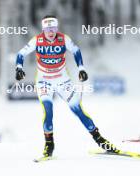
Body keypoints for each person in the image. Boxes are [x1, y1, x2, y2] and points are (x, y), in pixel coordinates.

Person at [15, 15, 119, 158]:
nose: (51, 32)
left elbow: (76, 51)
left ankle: (101, 141)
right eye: (47, 29)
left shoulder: (63, 39)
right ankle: (49, 145)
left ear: (57, 28)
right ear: (43, 29)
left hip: (63, 81)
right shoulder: (37, 41)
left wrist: (81, 68)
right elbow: (21, 53)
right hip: (44, 81)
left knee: (78, 111)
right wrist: (18, 68)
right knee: (48, 111)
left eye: (53, 28)